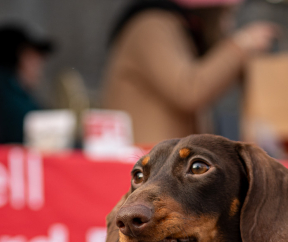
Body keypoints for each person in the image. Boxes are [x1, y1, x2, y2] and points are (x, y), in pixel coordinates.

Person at [102, 0, 277, 146]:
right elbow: (188, 90)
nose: (228, 25)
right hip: (144, 163)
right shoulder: (151, 25)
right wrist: (241, 44)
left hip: (167, 166)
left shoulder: (176, 30)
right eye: (225, 15)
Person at [0, 25, 54, 144]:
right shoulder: (9, 99)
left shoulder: (2, 91)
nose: (40, 68)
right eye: (31, 57)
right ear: (18, 58)